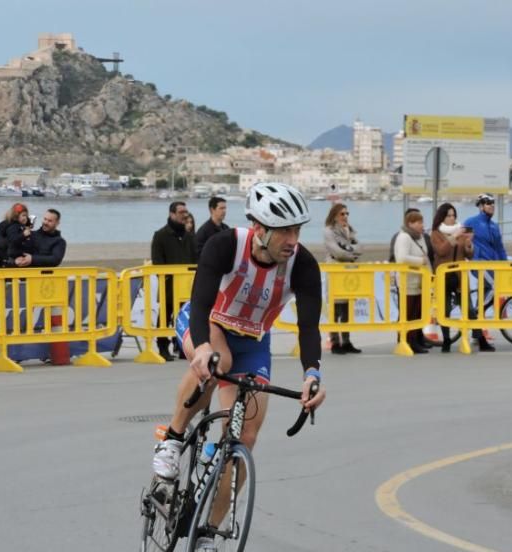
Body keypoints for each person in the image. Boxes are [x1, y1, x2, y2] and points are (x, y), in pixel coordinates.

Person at [152, 181, 326, 482]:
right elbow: (201, 301)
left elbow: (308, 327)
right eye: (284, 230)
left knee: (244, 438)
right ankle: (173, 439)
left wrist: (312, 374)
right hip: (208, 321)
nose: (292, 240)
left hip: (254, 342)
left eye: (297, 230)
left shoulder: (303, 265)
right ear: (259, 229)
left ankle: (212, 528)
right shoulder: (226, 245)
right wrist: (203, 347)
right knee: (219, 361)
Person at [151, 201, 198, 360]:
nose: (185, 214)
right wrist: (168, 278)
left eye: (186, 211)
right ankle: (162, 347)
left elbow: (195, 259)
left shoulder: (190, 237)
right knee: (164, 316)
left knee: (186, 318)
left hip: (187, 286)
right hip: (168, 285)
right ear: (172, 214)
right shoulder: (160, 235)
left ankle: (183, 347)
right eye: (181, 212)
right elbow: (157, 262)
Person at [463, 193, 507, 351]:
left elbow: (500, 248)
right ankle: (474, 313)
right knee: (495, 287)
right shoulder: (471, 222)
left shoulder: (494, 226)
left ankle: (476, 333)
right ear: (481, 206)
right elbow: (463, 241)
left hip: (493, 265)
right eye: (488, 203)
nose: (491, 206)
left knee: (486, 294)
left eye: (493, 203)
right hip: (478, 264)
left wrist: (506, 265)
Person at [430, 202, 473, 353]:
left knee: (469, 308)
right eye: (448, 215)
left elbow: (469, 255)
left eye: (454, 215)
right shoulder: (436, 233)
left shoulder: (460, 231)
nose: (452, 218)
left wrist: (468, 243)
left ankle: (476, 337)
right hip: (444, 276)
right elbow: (441, 251)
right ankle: (446, 340)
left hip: (460, 275)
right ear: (442, 217)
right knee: (445, 309)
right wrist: (454, 237)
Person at [322, 202, 362, 354]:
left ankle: (346, 341)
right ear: (334, 215)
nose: (345, 216)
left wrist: (349, 251)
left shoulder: (349, 230)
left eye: (347, 214)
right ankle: (335, 342)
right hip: (335, 271)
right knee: (335, 308)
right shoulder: (328, 231)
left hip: (348, 272)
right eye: (342, 214)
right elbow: (336, 252)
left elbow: (360, 247)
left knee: (347, 309)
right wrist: (351, 252)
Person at [393, 209, 433, 354]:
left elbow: (425, 254)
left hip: (419, 281)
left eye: (422, 222)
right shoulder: (404, 237)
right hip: (407, 281)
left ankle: (415, 339)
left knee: (417, 312)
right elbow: (402, 258)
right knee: (407, 312)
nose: (422, 225)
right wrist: (421, 261)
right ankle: (405, 339)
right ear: (410, 223)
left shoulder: (419, 237)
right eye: (419, 222)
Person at [0, 203, 34, 269]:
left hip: (4, 257)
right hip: (8, 259)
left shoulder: (8, 224)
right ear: (16, 216)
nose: (25, 218)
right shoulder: (13, 227)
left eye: (26, 216)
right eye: (23, 215)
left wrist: (28, 224)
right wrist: (23, 235)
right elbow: (13, 240)